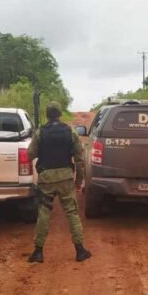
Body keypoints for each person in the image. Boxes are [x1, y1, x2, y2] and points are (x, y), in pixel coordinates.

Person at [27, 101, 92, 263]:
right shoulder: (70, 132)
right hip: (65, 178)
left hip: (46, 179)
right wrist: (79, 181)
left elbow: (29, 155)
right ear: (60, 114)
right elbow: (79, 160)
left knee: (44, 213)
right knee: (72, 212)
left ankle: (38, 252)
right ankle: (80, 250)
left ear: (47, 115)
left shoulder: (40, 132)